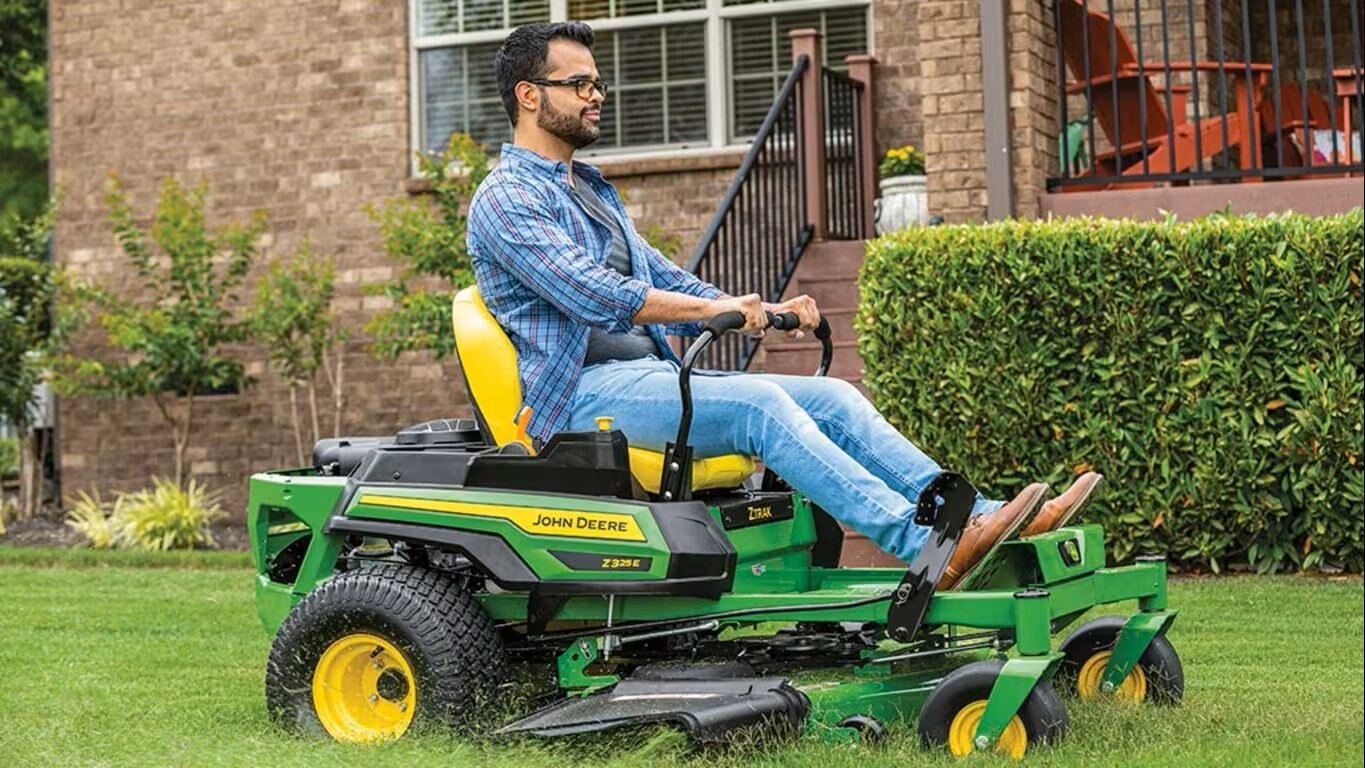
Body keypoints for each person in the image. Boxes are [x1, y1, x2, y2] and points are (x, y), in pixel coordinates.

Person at [466, 21, 1104, 588]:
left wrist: (760, 308)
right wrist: (711, 314)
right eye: (579, 84)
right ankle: (925, 548)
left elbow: (665, 276)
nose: (596, 95)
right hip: (579, 398)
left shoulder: (590, 190)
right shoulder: (506, 198)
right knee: (760, 405)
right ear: (530, 95)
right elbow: (590, 292)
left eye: (598, 83)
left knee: (834, 397)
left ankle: (984, 519)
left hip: (646, 378)